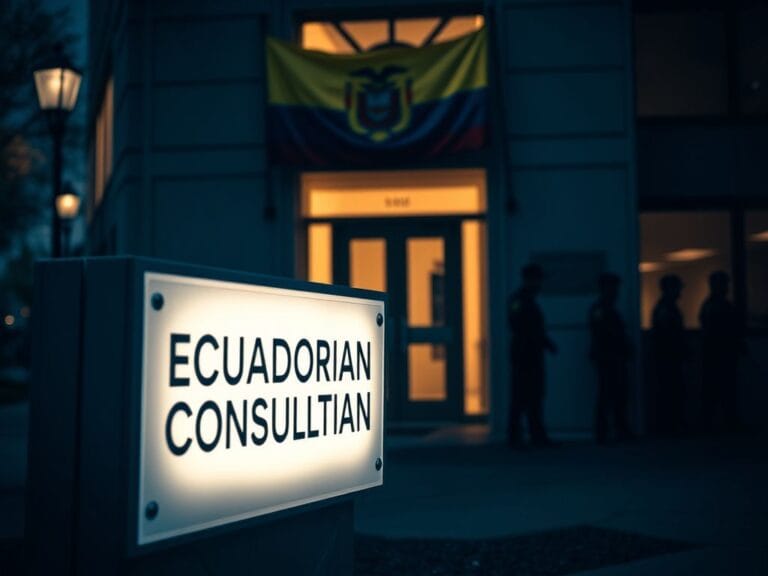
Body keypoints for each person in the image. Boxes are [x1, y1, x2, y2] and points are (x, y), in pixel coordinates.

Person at [508, 263, 558, 447]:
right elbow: (521, 327)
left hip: (531, 355)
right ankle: (518, 436)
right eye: (537, 280)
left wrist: (546, 344)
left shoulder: (527, 301)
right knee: (522, 397)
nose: (539, 284)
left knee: (533, 396)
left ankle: (535, 434)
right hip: (524, 356)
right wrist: (542, 342)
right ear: (529, 280)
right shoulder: (519, 301)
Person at [589, 273, 633, 443]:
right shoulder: (600, 310)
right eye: (611, 287)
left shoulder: (609, 309)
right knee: (606, 395)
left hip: (614, 358)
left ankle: (619, 429)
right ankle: (603, 432)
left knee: (619, 395)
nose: (615, 291)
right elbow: (603, 334)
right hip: (607, 359)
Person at [699, 271, 743, 433]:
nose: (726, 288)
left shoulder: (719, 305)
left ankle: (721, 422)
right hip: (717, 356)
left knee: (724, 392)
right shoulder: (714, 306)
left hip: (721, 356)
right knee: (716, 391)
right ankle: (711, 424)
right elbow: (715, 332)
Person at [651, 274, 686, 435]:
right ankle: (668, 426)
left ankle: (670, 425)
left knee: (672, 392)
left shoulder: (668, 308)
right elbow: (667, 335)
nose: (680, 291)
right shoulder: (665, 309)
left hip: (670, 358)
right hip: (668, 358)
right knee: (669, 393)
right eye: (677, 287)